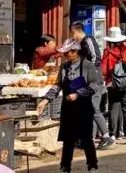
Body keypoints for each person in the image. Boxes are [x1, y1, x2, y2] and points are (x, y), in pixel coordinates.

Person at [37, 39, 101, 173]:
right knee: (68, 139)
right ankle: (65, 166)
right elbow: (58, 85)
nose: (66, 55)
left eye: (68, 53)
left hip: (83, 107)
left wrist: (78, 94)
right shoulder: (64, 67)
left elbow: (94, 86)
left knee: (86, 138)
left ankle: (92, 164)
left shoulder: (88, 66)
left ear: (75, 52)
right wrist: (45, 100)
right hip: (68, 107)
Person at [70, 22, 112, 149]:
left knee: (94, 109)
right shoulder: (81, 43)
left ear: (76, 31)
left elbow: (95, 57)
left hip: (94, 81)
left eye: (72, 34)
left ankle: (106, 137)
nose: (72, 37)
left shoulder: (88, 40)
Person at [101, 27, 126, 145]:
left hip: (112, 84)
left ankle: (113, 135)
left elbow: (104, 70)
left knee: (113, 108)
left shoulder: (108, 52)